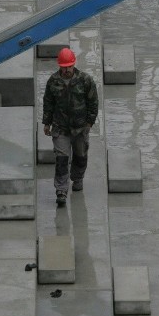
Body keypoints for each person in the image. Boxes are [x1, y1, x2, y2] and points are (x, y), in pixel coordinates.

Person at [42, 47, 99, 207]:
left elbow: (93, 102)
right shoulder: (53, 82)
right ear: (59, 66)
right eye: (64, 67)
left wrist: (89, 122)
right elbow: (48, 103)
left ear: (74, 65)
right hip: (60, 127)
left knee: (80, 156)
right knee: (61, 159)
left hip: (80, 127)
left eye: (69, 66)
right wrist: (47, 122)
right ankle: (61, 190)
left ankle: (78, 178)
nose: (67, 70)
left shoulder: (85, 80)